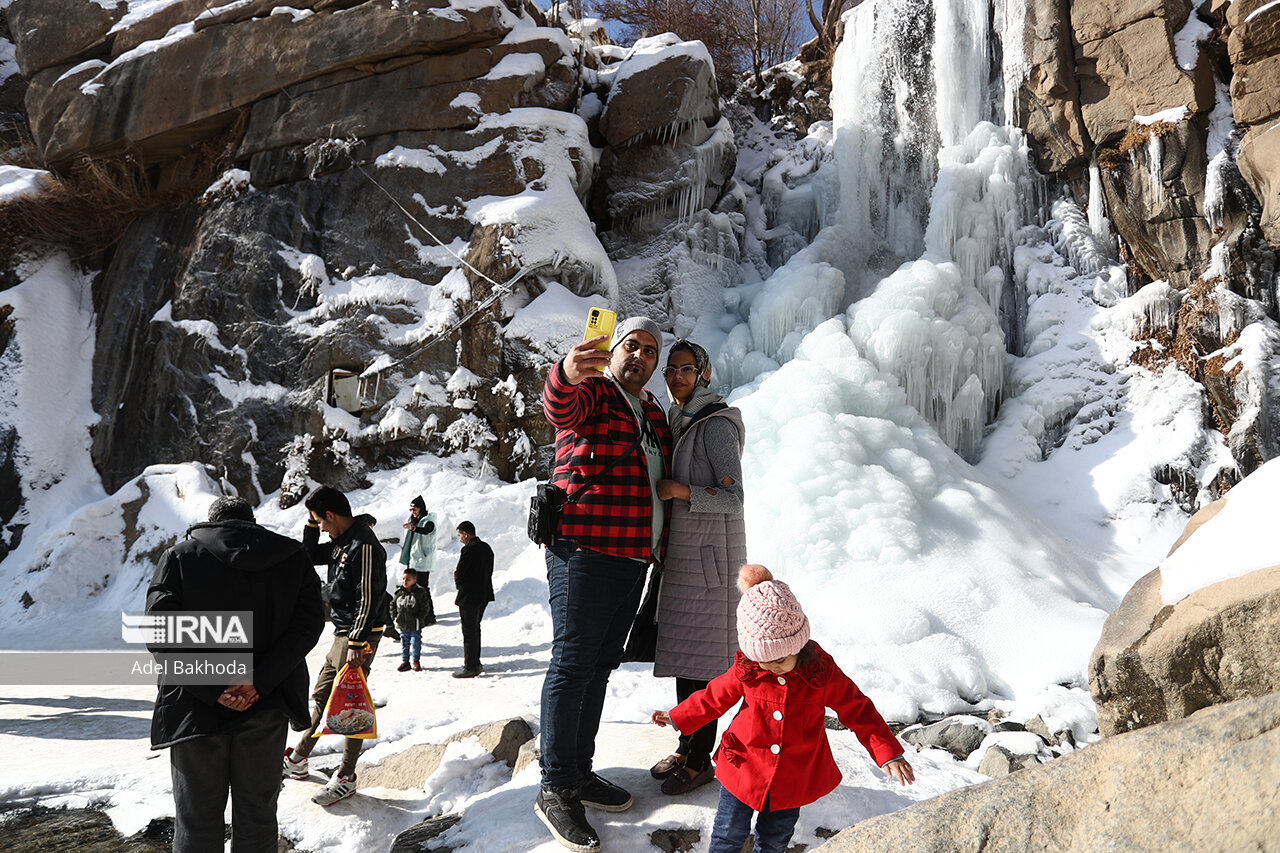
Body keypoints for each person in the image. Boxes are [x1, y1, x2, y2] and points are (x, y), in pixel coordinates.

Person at [651, 565, 915, 853]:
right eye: (764, 659)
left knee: (775, 839)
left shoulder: (820, 671)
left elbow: (858, 709)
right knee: (727, 834)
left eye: (780, 658)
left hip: (792, 775)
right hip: (743, 766)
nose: (772, 665)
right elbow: (713, 696)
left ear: (799, 644)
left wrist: (888, 753)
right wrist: (677, 716)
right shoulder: (748, 669)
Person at [534, 315, 673, 853]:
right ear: (613, 350)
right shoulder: (593, 389)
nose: (640, 356)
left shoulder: (653, 412)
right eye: (631, 346)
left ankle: (579, 772)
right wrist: (566, 372)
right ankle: (555, 785)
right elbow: (559, 407)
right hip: (584, 550)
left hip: (632, 559)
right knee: (572, 664)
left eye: (650, 351)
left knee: (598, 667)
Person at [147, 496, 325, 853]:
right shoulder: (292, 559)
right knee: (258, 815)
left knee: (197, 820)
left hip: (194, 707)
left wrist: (215, 686)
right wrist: (256, 681)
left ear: (212, 524)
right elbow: (308, 625)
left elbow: (160, 631)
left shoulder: (180, 558)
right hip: (267, 703)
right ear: (252, 523)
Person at [650, 339, 746, 796]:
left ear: (704, 374)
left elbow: (734, 497)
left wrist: (680, 491)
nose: (677, 378)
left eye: (687, 369)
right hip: (685, 560)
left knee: (702, 667)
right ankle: (688, 746)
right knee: (685, 662)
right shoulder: (679, 420)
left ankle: (700, 759)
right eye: (670, 370)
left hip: (710, 565)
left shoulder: (715, 425)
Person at [282, 485, 389, 807]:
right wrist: (310, 524)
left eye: (321, 521)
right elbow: (308, 555)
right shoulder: (340, 543)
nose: (322, 528)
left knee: (349, 703)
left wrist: (357, 640)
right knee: (324, 694)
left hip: (359, 634)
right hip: (343, 632)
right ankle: (300, 757)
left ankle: (346, 776)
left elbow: (370, 596)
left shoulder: (364, 546)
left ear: (332, 514)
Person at [452, 520, 494, 678]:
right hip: (483, 594)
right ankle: (475, 662)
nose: (460, 539)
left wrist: (458, 581)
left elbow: (461, 574)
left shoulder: (468, 550)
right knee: (475, 629)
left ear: (466, 533)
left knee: (469, 632)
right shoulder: (486, 547)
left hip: (469, 596)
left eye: (460, 535)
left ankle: (471, 666)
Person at [399, 495, 438, 626]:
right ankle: (421, 614)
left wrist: (414, 528)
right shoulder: (414, 521)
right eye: (411, 509)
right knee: (416, 589)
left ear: (421, 509)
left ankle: (430, 617)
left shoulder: (428, 520)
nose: (412, 512)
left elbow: (427, 530)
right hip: (414, 560)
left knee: (423, 589)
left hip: (423, 560)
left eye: (414, 509)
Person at [392, 569, 431, 672]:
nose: (405, 581)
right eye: (403, 578)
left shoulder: (419, 593)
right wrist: (394, 615)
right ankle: (405, 662)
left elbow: (425, 607)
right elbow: (393, 604)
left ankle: (416, 661)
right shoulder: (398, 592)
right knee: (404, 643)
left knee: (415, 642)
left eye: (408, 579)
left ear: (414, 580)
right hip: (403, 624)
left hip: (415, 624)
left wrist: (420, 618)